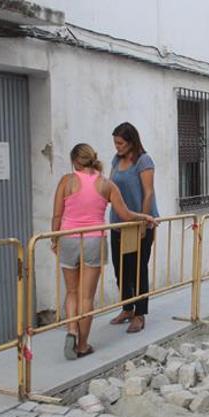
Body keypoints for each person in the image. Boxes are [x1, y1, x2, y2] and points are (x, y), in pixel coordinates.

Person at [51, 143, 156, 359]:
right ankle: (82, 345)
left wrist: (54, 239)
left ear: (74, 161)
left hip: (68, 239)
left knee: (71, 292)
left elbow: (56, 215)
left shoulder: (66, 181)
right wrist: (144, 217)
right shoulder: (106, 184)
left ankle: (71, 330)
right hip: (94, 241)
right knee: (86, 297)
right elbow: (125, 214)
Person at [108, 122, 159, 334]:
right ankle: (127, 308)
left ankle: (140, 314)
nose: (117, 147)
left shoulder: (143, 161)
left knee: (138, 269)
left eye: (120, 143)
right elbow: (111, 186)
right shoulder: (116, 159)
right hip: (119, 222)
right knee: (121, 270)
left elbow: (148, 192)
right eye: (115, 143)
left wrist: (143, 224)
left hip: (140, 222)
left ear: (131, 141)